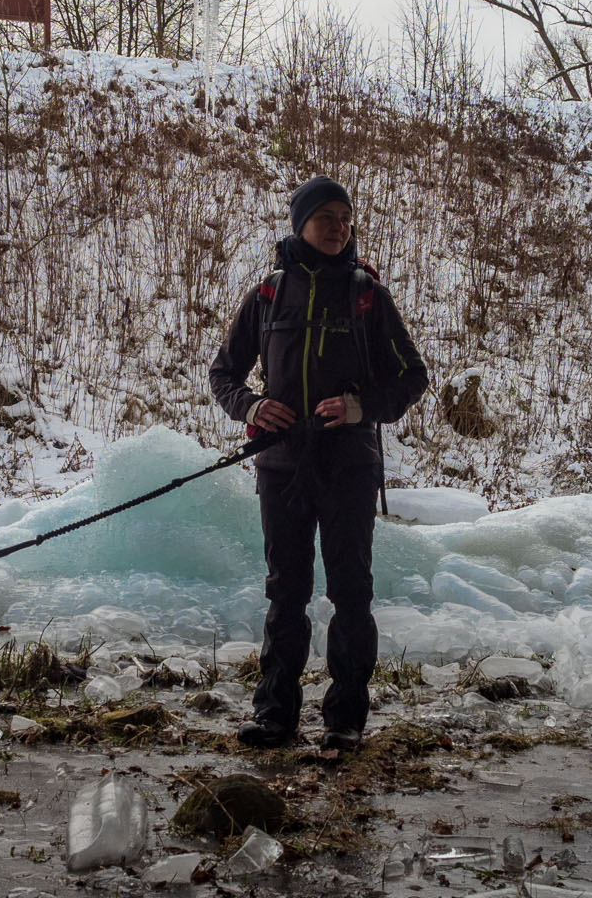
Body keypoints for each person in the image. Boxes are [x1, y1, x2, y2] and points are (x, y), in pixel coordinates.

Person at [209, 175, 428, 752]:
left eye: (346, 218)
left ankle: (345, 720)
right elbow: (223, 374)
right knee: (287, 590)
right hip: (280, 467)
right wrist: (253, 406)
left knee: (351, 591)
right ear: (300, 223)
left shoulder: (367, 295)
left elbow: (412, 377)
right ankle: (275, 714)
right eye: (327, 217)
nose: (339, 228)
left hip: (349, 468)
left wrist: (361, 407)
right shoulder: (267, 295)